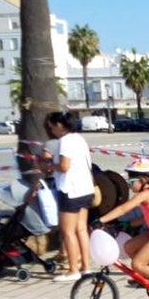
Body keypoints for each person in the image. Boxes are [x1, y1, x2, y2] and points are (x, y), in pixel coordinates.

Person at [91, 159, 149, 299]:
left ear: (143, 180)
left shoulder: (145, 194)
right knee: (129, 247)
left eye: (131, 181)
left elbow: (123, 208)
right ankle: (147, 275)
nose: (129, 185)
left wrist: (101, 220)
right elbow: (146, 219)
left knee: (137, 264)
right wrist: (126, 225)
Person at [46, 111, 94, 281]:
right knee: (81, 229)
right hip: (85, 188)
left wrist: (50, 165)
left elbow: (64, 166)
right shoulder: (79, 139)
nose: (51, 131)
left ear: (59, 125)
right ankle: (86, 266)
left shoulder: (65, 141)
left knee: (68, 232)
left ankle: (73, 270)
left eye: (51, 127)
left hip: (70, 190)